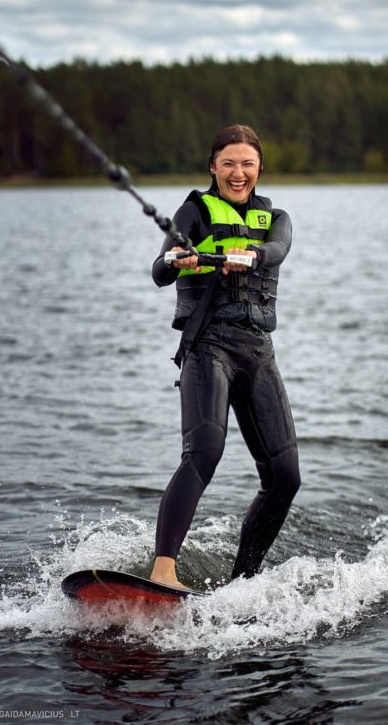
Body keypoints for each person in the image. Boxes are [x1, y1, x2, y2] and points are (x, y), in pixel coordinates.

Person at [150, 124, 300, 588]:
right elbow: (159, 270)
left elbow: (277, 249)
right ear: (213, 167)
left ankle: (243, 582)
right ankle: (163, 573)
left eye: (248, 164)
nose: (239, 173)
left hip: (257, 351)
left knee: (285, 476)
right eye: (229, 164)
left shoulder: (275, 218)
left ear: (259, 169)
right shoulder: (193, 211)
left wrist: (250, 253)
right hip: (207, 347)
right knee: (204, 453)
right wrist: (178, 259)